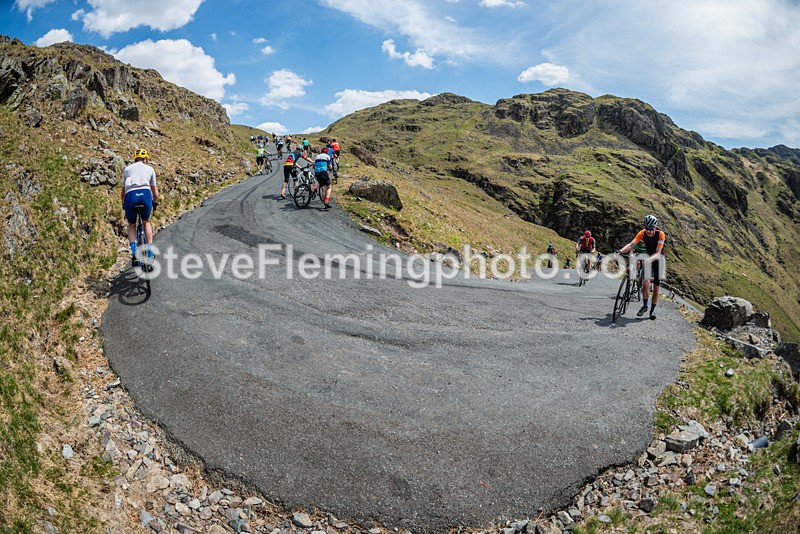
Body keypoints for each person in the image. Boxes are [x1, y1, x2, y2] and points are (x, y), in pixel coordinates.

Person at [618, 214, 666, 320]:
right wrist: (620, 251)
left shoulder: (660, 234)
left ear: (654, 227)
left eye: (651, 229)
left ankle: (652, 311)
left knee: (656, 287)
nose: (648, 231)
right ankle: (645, 306)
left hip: (658, 259)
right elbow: (631, 245)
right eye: (647, 228)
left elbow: (658, 253)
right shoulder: (642, 233)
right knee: (646, 283)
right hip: (648, 257)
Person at [121, 149, 159, 268]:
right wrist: (155, 203)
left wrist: (123, 203)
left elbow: (122, 193)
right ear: (145, 159)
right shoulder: (150, 169)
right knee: (146, 222)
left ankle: (134, 253)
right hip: (145, 195)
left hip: (130, 196)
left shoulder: (127, 169)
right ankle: (150, 252)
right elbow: (155, 193)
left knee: (132, 225)